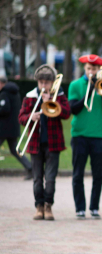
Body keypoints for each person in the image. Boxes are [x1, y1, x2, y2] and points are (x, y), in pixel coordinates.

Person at [18, 65, 70, 220]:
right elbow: (21, 117)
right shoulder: (30, 97)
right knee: (37, 178)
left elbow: (67, 114)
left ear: (53, 83)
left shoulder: (59, 96)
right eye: (41, 82)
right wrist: (30, 117)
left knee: (51, 178)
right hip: (35, 143)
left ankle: (48, 205)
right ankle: (39, 206)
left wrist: (54, 103)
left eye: (47, 83)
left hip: (53, 144)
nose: (43, 86)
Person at [69, 54, 102, 220]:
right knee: (78, 173)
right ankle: (80, 208)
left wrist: (101, 90)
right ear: (84, 69)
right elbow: (74, 109)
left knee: (98, 174)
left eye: (94, 69)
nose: (91, 72)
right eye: (88, 69)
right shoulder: (75, 85)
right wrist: (89, 91)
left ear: (98, 70)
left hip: (99, 135)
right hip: (79, 134)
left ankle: (94, 207)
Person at [0, 76, 32, 178]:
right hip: (13, 127)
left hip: (4, 128)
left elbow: (5, 109)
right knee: (15, 149)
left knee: (15, 149)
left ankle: (30, 167)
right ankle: (30, 167)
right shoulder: (15, 92)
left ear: (1, 83)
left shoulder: (4, 93)